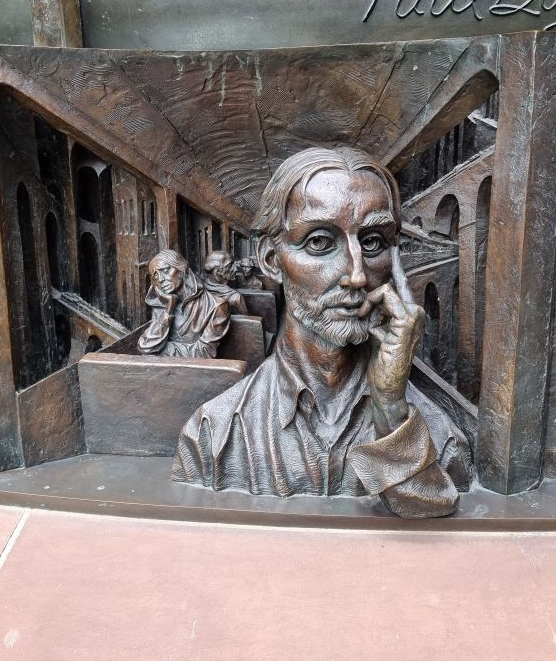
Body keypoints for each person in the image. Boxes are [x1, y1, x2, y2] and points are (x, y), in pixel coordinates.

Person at [171, 147, 472, 518]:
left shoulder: (441, 439)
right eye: (319, 242)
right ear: (271, 259)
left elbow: (434, 517)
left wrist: (391, 410)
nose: (357, 275)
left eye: (373, 242)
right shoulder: (213, 435)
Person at [138, 249, 230, 359]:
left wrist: (162, 349)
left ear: (182, 269)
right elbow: (146, 347)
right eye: (156, 276)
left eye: (166, 271)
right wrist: (168, 310)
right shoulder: (162, 304)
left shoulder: (217, 306)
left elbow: (204, 353)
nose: (161, 279)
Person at [202, 250, 247, 315]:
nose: (235, 269)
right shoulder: (235, 298)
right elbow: (246, 320)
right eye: (229, 266)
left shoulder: (200, 291)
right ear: (217, 271)